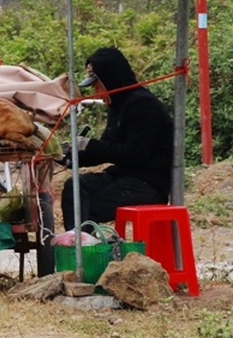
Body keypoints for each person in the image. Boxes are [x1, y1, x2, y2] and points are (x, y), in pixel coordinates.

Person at [60, 47, 173, 230]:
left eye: (97, 86)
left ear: (111, 81)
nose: (96, 92)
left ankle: (87, 249)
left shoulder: (143, 105)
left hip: (148, 183)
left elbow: (135, 153)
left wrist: (91, 145)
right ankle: (85, 246)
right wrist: (67, 157)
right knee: (75, 186)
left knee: (84, 205)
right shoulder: (118, 107)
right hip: (122, 177)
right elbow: (106, 150)